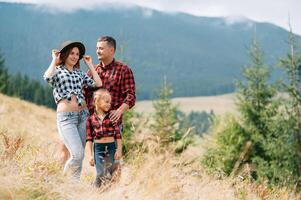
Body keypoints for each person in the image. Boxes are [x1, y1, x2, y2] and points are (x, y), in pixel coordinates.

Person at [43, 41, 102, 180]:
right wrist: (54, 59)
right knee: (77, 154)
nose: (75, 56)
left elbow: (98, 84)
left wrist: (90, 65)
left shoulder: (79, 73)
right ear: (65, 54)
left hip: (83, 116)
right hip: (66, 118)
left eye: (77, 54)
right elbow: (47, 77)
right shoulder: (58, 71)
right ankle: (58, 181)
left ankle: (72, 187)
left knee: (79, 155)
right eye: (72, 53)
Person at [86, 89, 122, 187]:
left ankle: (107, 194)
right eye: (106, 102)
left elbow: (118, 136)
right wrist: (89, 156)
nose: (109, 104)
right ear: (97, 101)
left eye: (110, 102)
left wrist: (118, 150)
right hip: (98, 148)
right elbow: (89, 139)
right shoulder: (90, 119)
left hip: (111, 147)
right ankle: (95, 192)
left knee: (108, 174)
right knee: (100, 173)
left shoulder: (112, 116)